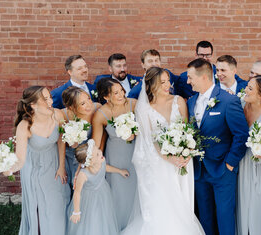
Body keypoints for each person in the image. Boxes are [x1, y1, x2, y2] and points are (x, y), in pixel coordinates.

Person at [123, 67, 204, 235]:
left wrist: (186, 153)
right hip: (159, 162)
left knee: (182, 201)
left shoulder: (178, 101)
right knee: (163, 204)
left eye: (168, 81)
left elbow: (188, 130)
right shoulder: (144, 108)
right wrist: (169, 158)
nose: (168, 85)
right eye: (162, 82)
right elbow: (151, 140)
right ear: (151, 85)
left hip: (183, 160)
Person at [186, 59, 249, 235]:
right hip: (199, 171)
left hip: (222, 170)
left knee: (224, 216)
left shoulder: (228, 100)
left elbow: (241, 135)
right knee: (205, 218)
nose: (187, 81)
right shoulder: (191, 102)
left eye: (190, 77)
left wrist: (229, 163)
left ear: (204, 76)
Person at [3, 86, 70, 235]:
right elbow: (20, 159)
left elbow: (61, 141)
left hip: (54, 165)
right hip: (34, 170)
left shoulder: (57, 115)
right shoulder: (25, 126)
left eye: (49, 97)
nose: (50, 102)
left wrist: (61, 166)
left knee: (57, 206)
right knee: (39, 210)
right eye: (44, 99)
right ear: (33, 105)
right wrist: (10, 169)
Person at [92, 77, 137, 231]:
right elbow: (95, 145)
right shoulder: (101, 114)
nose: (121, 95)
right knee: (119, 195)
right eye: (116, 93)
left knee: (137, 193)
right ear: (106, 97)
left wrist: (136, 134)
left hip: (136, 155)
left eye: (121, 91)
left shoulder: (133, 104)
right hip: (116, 158)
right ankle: (119, 229)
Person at [236, 75, 261, 235]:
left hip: (259, 167)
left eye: (250, 88)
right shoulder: (239, 105)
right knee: (241, 204)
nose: (246, 90)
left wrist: (260, 149)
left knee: (257, 206)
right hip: (240, 163)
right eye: (247, 86)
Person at [67, 139, 127, 235]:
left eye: (98, 150)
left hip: (103, 192)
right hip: (89, 199)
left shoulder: (101, 160)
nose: (100, 152)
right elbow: (77, 193)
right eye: (97, 154)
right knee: (92, 219)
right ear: (90, 162)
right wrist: (76, 211)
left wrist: (119, 171)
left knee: (103, 216)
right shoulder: (83, 175)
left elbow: (105, 167)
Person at [61, 86, 101, 187]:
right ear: (71, 107)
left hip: (92, 153)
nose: (89, 105)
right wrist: (73, 143)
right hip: (72, 157)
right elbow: (62, 142)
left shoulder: (97, 108)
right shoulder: (63, 115)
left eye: (88, 99)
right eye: (82, 103)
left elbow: (101, 136)